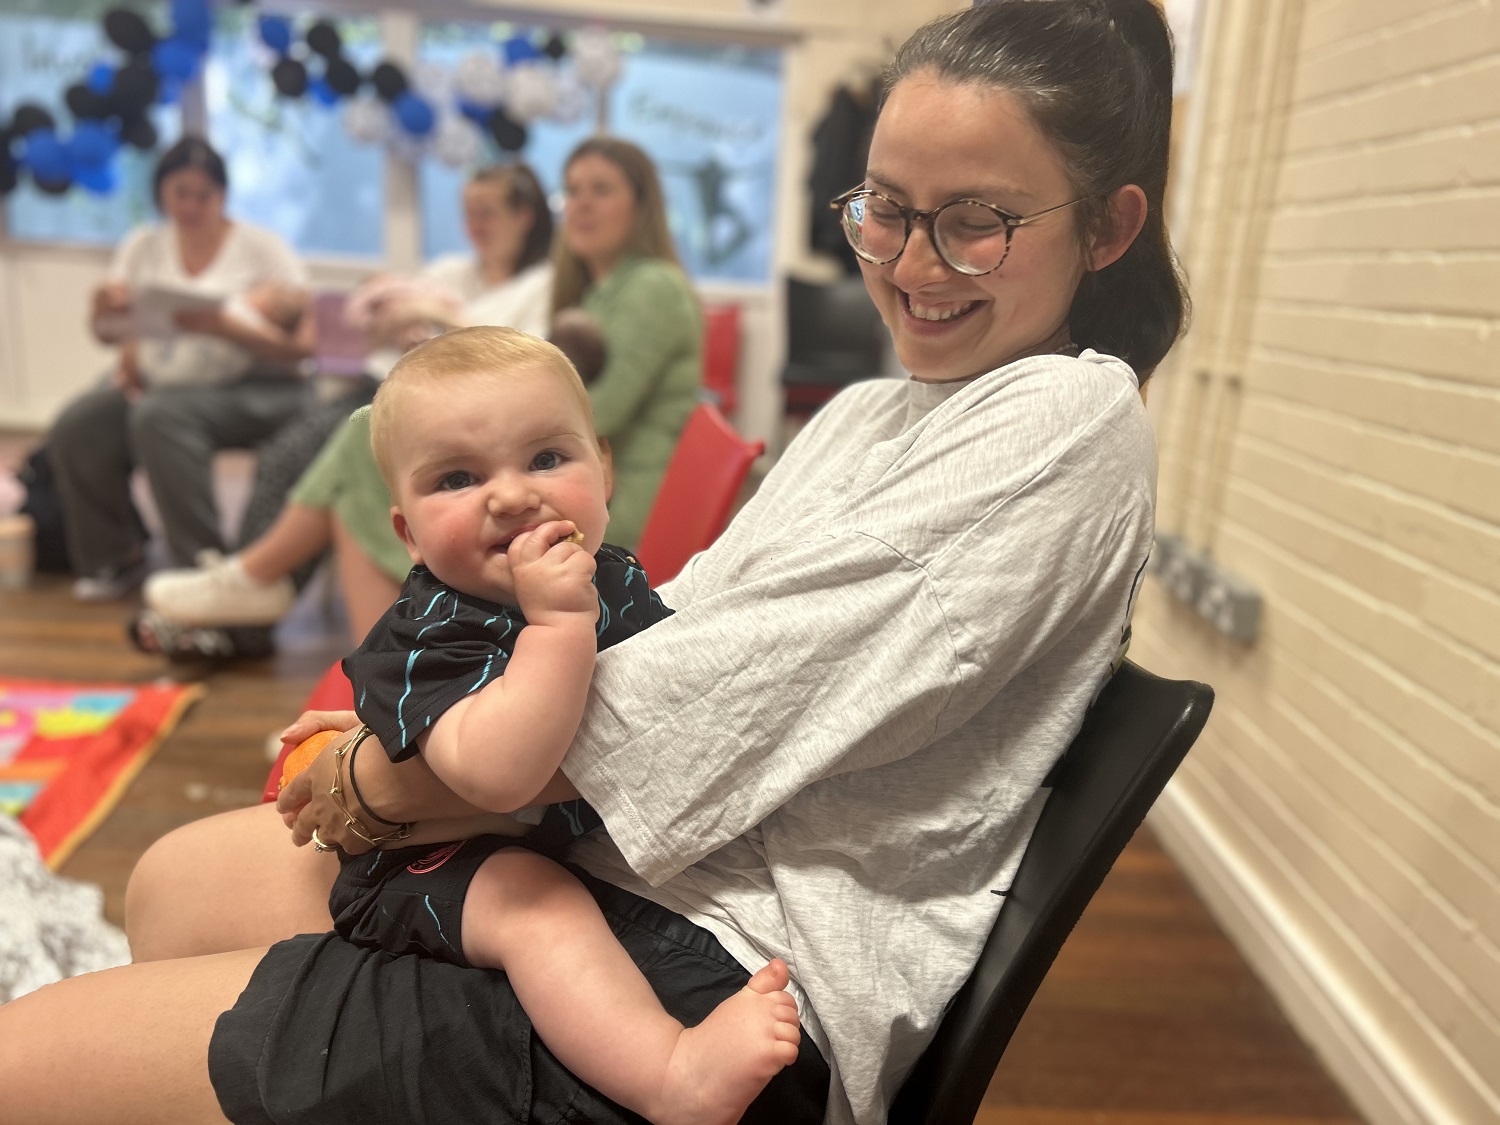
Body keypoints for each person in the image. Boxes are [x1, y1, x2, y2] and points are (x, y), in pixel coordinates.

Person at [0, 3, 1189, 1123]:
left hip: (718, 970)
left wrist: (377, 781)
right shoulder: (874, 413)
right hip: (606, 857)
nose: (914, 263)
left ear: (1109, 226)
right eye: (886, 206)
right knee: (170, 884)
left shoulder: (1067, 424)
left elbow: (679, 715)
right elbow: (681, 628)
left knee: (27, 1065)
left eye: (975, 221)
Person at [318, 325, 799, 1125]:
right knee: (535, 905)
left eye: (546, 458)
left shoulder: (608, 572)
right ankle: (670, 1074)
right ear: (406, 531)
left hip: (563, 836)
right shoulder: (427, 632)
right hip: (426, 865)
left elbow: (669, 685)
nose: (511, 495)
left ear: (603, 469)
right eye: (458, 477)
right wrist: (556, 627)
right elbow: (498, 773)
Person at [132, 163, 557, 655]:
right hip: (383, 381)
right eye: (468, 213)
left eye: (487, 212)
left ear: (525, 215)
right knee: (284, 456)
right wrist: (397, 323)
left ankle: (240, 605)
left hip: (438, 406)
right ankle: (241, 598)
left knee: (329, 446)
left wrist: (442, 326)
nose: (475, 225)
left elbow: (524, 363)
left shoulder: (542, 284)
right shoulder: (449, 271)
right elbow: (375, 323)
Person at [47, 136, 314, 601]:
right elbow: (108, 332)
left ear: (222, 196)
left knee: (161, 416)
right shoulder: (143, 245)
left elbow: (304, 347)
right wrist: (100, 308)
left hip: (253, 385)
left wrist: (224, 326)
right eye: (180, 193)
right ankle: (113, 554)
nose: (191, 205)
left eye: (203, 194)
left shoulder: (262, 248)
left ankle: (205, 568)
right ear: (161, 194)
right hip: (161, 381)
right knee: (79, 423)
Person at [552, 137, 702, 549]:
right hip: (593, 481)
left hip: (628, 499)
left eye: (601, 190)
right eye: (572, 190)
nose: (580, 204)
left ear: (641, 206)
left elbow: (600, 414)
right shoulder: (599, 291)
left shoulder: (653, 287)